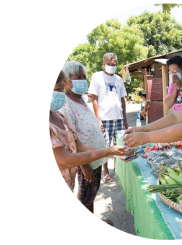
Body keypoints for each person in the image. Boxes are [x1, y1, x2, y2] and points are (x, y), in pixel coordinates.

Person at [49, 71, 137, 216]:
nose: (60, 94)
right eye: (58, 90)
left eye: (60, 89)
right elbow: (64, 160)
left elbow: (79, 146)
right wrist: (108, 152)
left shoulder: (58, 115)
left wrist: (113, 151)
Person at [59, 61, 113, 226]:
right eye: (78, 77)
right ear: (66, 81)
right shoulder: (65, 105)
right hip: (84, 160)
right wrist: (84, 165)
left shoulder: (81, 99)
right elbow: (72, 141)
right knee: (85, 198)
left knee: (92, 195)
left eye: (84, 77)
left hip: (93, 157)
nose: (83, 80)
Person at [89, 53, 129, 183]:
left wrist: (125, 120)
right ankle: (105, 172)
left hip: (118, 118)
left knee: (119, 145)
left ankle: (117, 168)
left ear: (117, 64)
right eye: (108, 63)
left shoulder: (118, 79)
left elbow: (122, 100)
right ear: (103, 63)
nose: (111, 66)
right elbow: (94, 99)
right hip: (104, 118)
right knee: (105, 146)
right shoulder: (97, 77)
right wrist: (98, 119)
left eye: (113, 64)